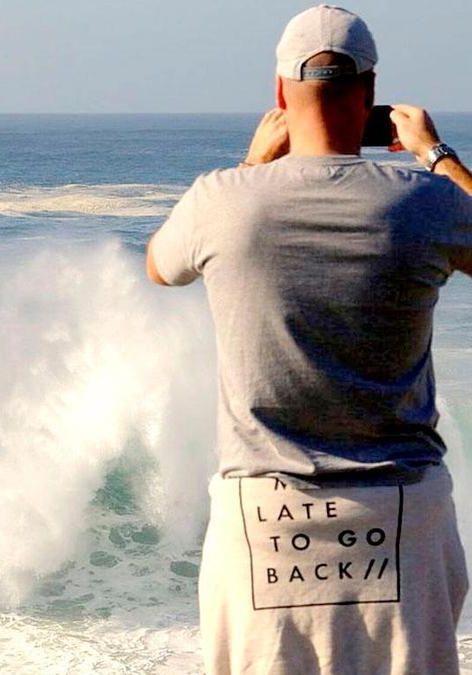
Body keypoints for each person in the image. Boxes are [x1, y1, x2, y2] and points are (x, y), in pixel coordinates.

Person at [145, 5, 472, 673]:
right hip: (404, 519)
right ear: (372, 96)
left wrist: (249, 164)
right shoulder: (423, 201)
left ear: (278, 97)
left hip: (263, 522)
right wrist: (436, 154)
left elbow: (159, 264)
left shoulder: (222, 200)